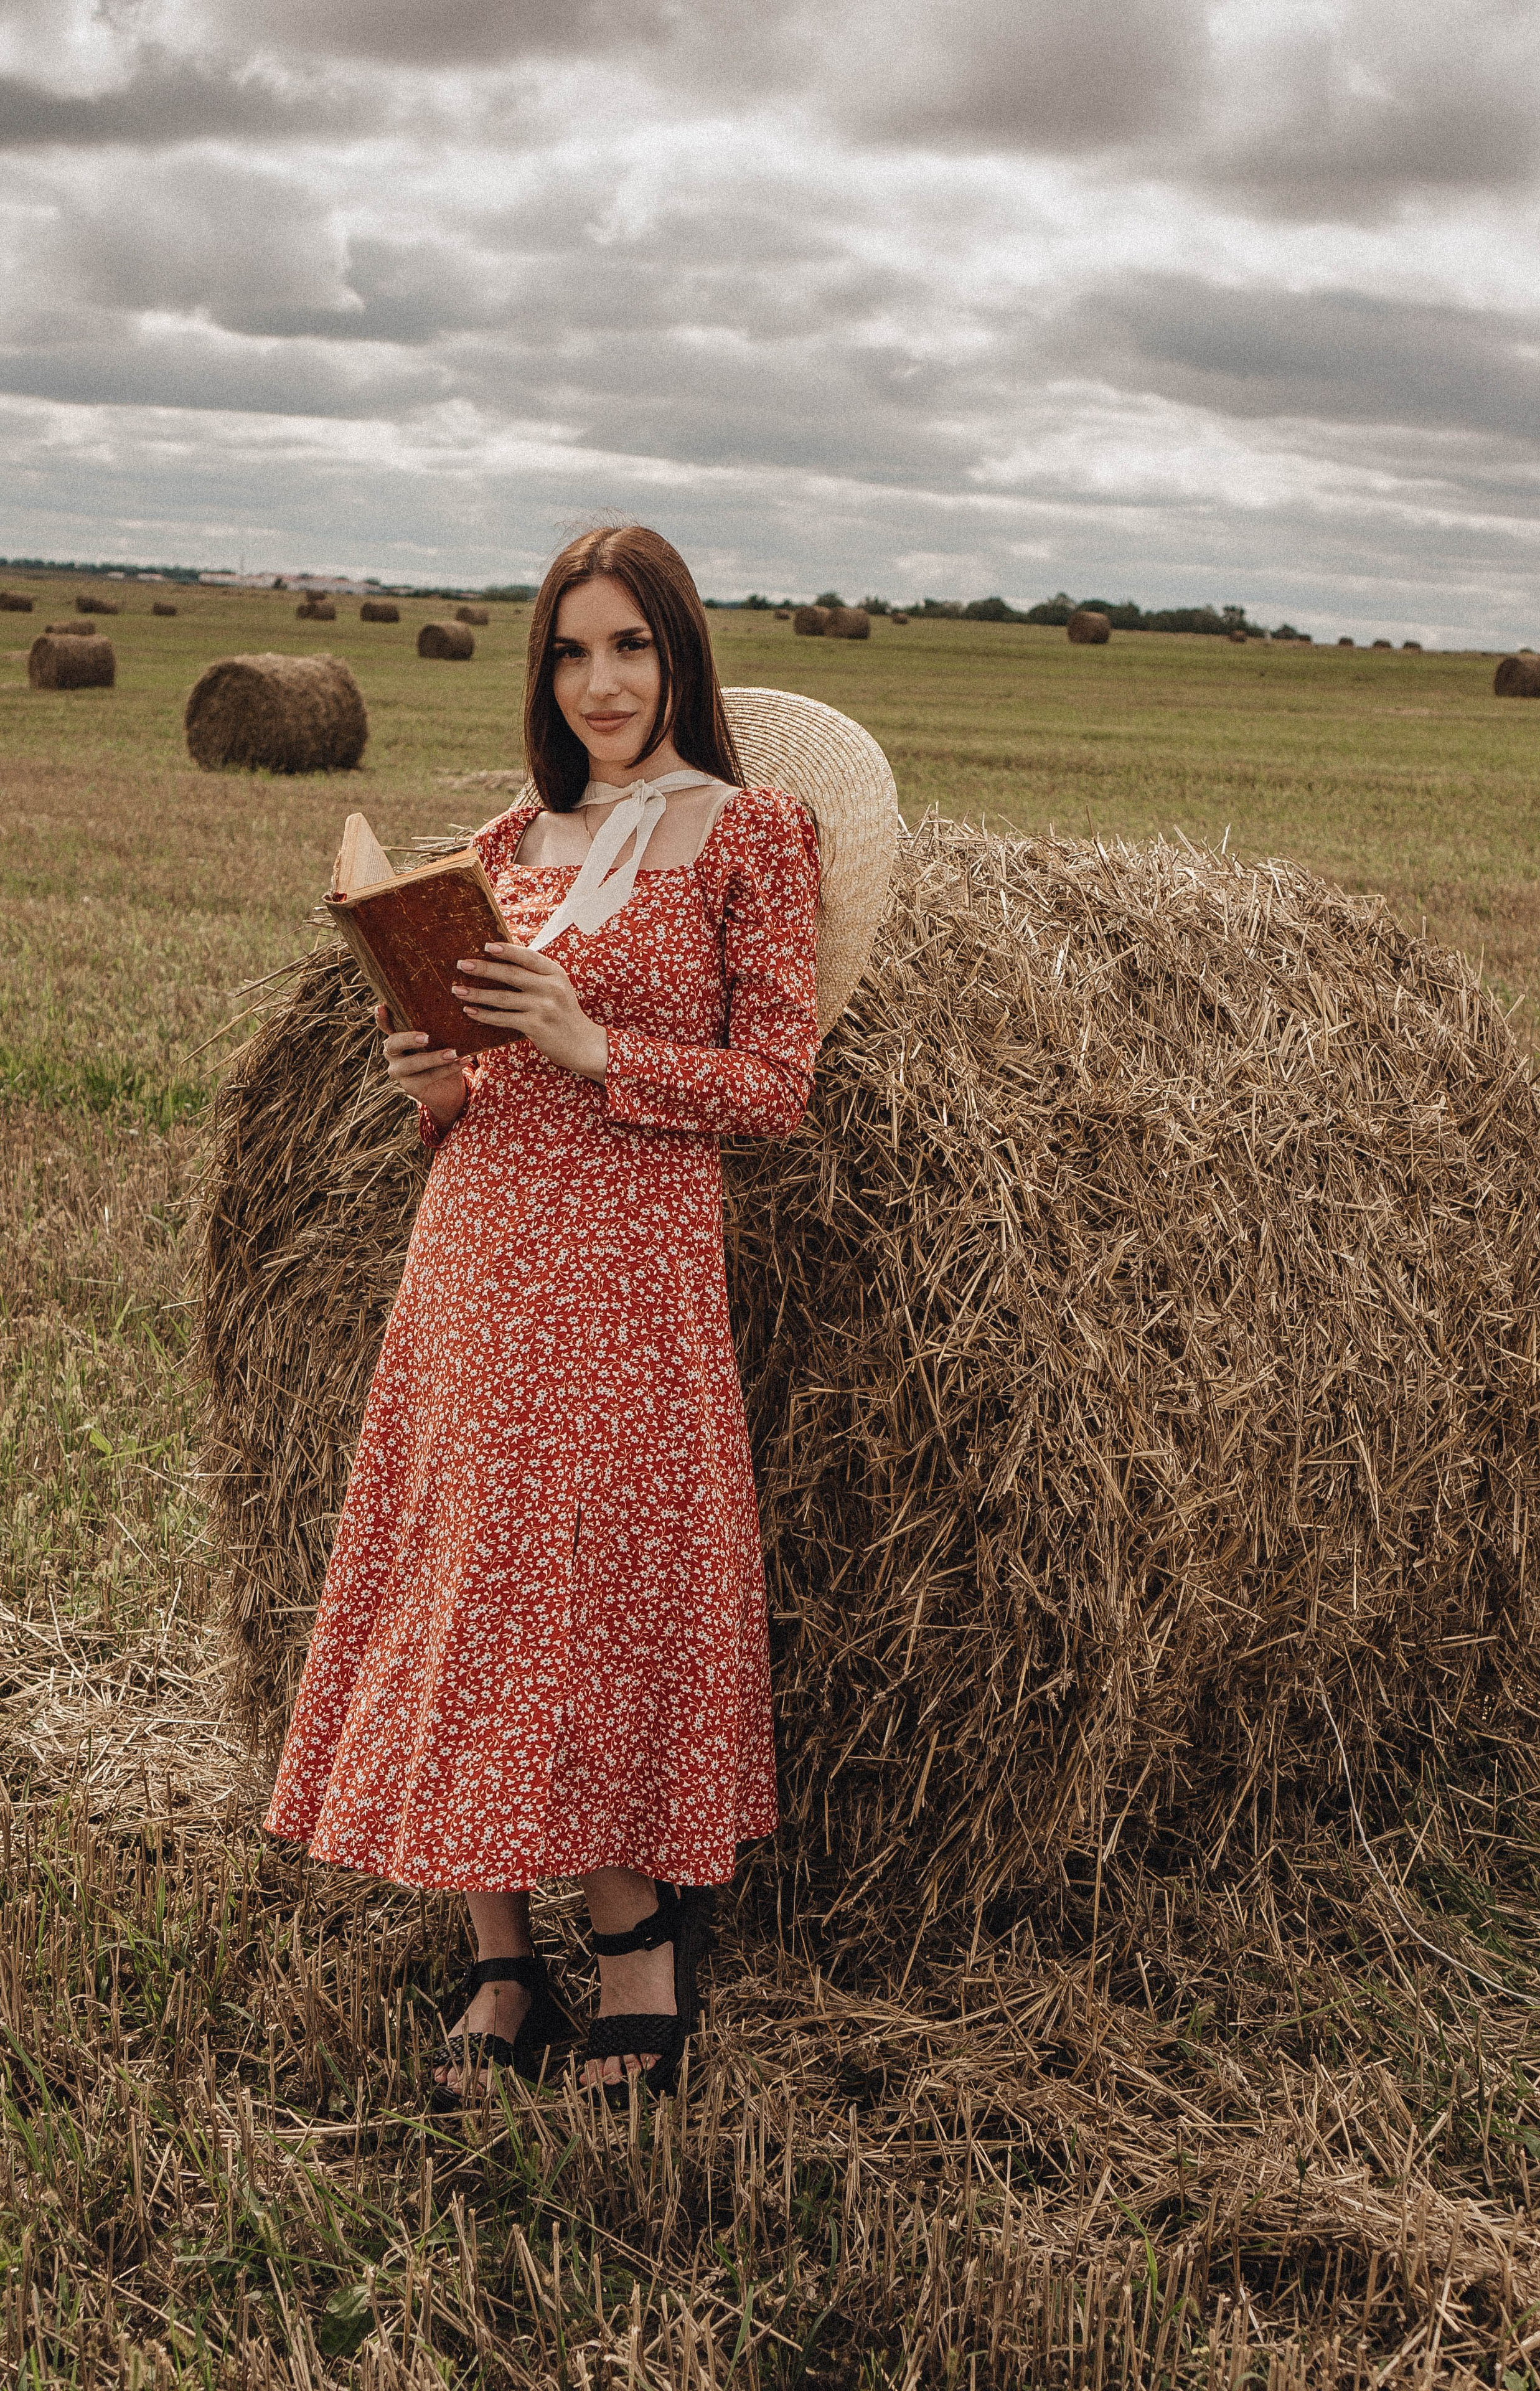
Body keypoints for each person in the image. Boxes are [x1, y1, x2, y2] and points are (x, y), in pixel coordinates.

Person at [261, 524, 822, 2101]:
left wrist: (593, 1046)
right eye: (571, 652)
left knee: (588, 1598)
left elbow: (772, 1089)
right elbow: (473, 1080)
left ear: (679, 657)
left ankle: (640, 1948)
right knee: (467, 1582)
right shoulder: (508, 842)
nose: (599, 683)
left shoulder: (751, 838)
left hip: (630, 1274)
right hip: (476, 1256)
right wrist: (432, 1084)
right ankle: (499, 1956)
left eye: (628, 647)